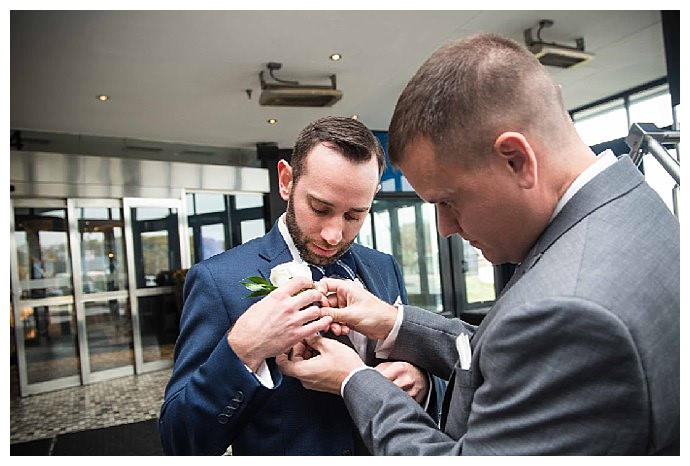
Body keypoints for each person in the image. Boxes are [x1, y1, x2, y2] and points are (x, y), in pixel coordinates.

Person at [277, 33, 680, 455]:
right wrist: (392, 322)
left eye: (448, 201)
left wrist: (353, 379)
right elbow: (509, 353)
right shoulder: (635, 208)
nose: (445, 227)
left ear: (516, 160)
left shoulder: (570, 311)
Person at [159, 116, 443, 455]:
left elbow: (424, 366)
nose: (333, 235)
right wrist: (243, 351)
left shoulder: (384, 267)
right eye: (320, 208)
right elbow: (180, 441)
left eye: (354, 215)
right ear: (286, 181)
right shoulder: (217, 280)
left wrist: (422, 383)